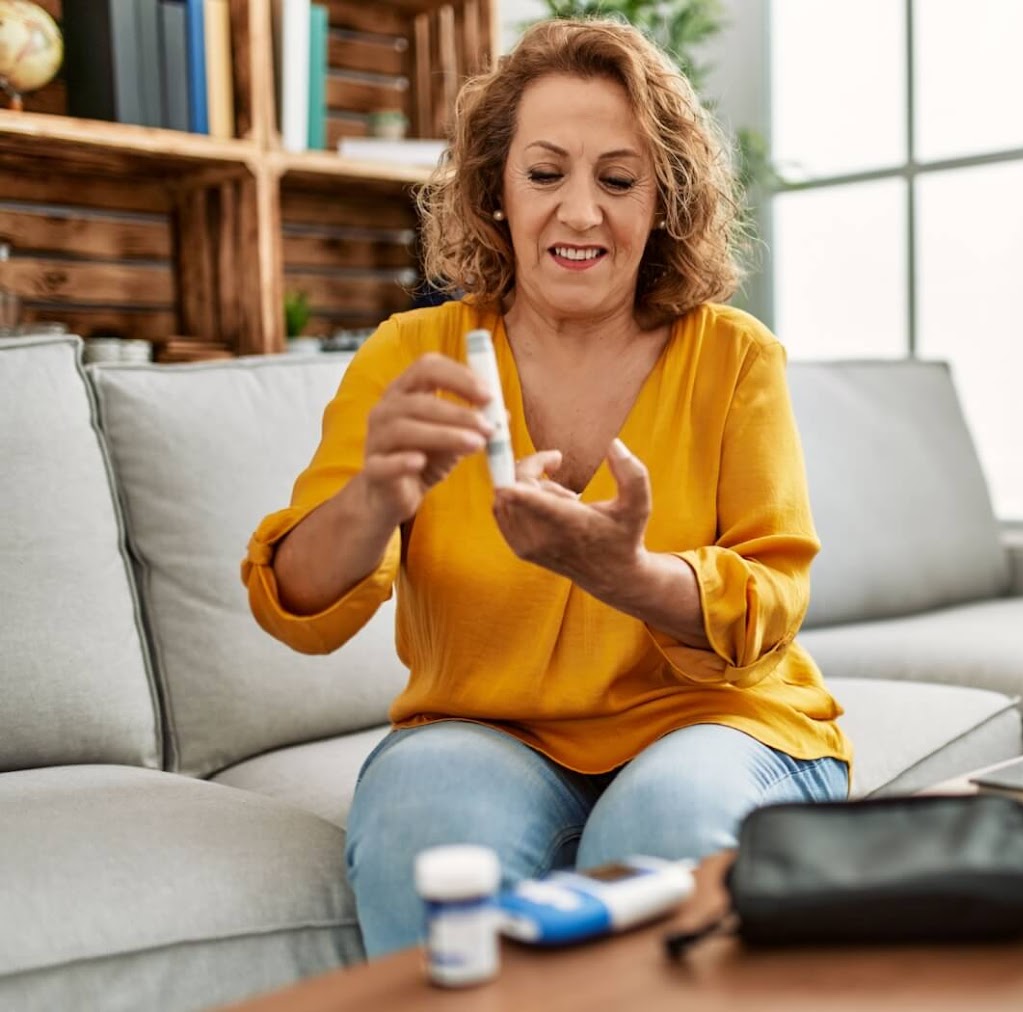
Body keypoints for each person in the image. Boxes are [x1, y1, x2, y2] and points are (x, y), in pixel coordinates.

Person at [240, 18, 850, 958]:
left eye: (618, 179)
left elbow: (774, 599)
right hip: (485, 729)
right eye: (544, 173)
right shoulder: (416, 353)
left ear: (665, 202)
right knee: (423, 831)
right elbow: (298, 606)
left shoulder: (734, 357)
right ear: (494, 191)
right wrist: (376, 495)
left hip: (718, 723)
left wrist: (629, 576)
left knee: (657, 833)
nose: (578, 213)